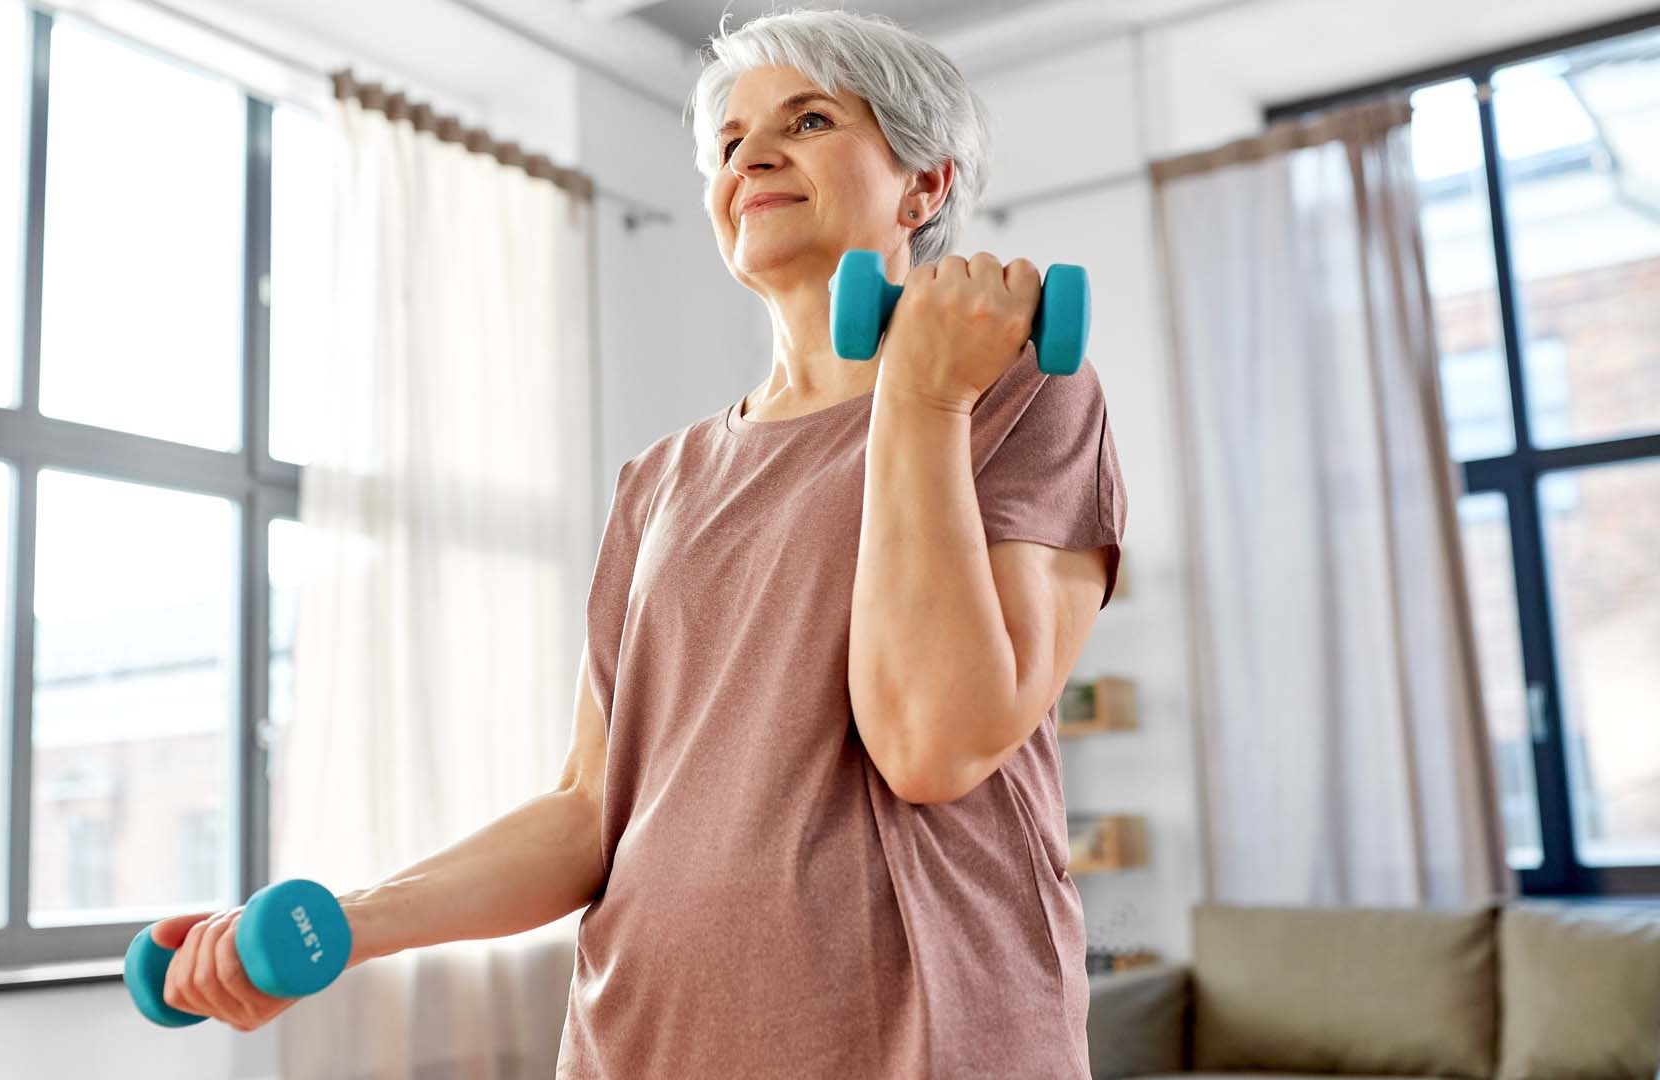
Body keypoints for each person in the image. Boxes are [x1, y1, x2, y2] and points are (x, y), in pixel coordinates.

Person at [151, 8, 1126, 1077]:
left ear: (924, 186)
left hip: (917, 1039)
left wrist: (926, 396)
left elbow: (933, 744)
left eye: (806, 120)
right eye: (729, 140)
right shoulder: (659, 483)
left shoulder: (1020, 395)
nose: (753, 153)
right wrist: (346, 923)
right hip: (642, 1042)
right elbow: (588, 812)